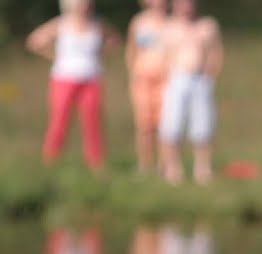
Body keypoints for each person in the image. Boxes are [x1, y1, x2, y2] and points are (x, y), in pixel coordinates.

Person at [26, 0, 120, 170]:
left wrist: (101, 54)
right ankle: (51, 161)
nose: (83, 6)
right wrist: (54, 56)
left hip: (91, 78)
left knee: (93, 122)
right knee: (59, 120)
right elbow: (34, 41)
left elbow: (114, 40)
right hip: (64, 78)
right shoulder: (61, 24)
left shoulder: (97, 24)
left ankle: (97, 164)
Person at [158, 0, 222, 184]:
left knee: (203, 126)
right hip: (177, 78)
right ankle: (173, 168)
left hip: (201, 79)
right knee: (172, 124)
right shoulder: (169, 27)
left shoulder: (207, 25)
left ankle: (203, 168)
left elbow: (216, 52)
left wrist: (211, 74)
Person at [126, 0, 169, 173]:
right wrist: (133, 72)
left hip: (167, 78)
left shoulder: (171, 23)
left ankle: (164, 165)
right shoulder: (139, 22)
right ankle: (144, 165)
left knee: (164, 125)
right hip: (143, 78)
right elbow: (131, 50)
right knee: (144, 125)